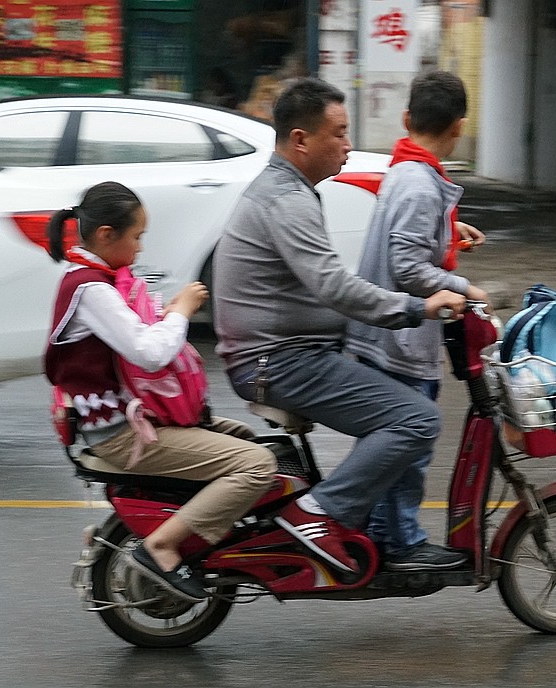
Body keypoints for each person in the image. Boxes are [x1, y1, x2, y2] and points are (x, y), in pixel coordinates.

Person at [213, 78, 467, 574]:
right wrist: (420, 308)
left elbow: (329, 276)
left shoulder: (290, 190)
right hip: (279, 362)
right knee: (417, 419)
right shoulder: (286, 200)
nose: (349, 146)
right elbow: (335, 286)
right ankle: (319, 513)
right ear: (301, 140)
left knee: (401, 406)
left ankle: (382, 533)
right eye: (339, 133)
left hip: (290, 353)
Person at [44, 181, 276, 601]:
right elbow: (149, 353)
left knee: (245, 438)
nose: (140, 248)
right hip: (121, 435)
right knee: (257, 465)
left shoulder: (96, 279)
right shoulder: (91, 288)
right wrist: (182, 312)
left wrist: (167, 315)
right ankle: (162, 546)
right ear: (105, 235)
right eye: (136, 237)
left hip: (132, 420)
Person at [345, 70, 488, 569]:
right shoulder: (420, 184)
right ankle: (399, 541)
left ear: (407, 118)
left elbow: (409, 241)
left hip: (388, 336)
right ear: (459, 128)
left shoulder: (407, 169)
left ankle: (383, 532)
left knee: (394, 445)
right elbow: (406, 264)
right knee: (411, 443)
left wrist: (450, 235)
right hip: (399, 342)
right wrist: (465, 290)